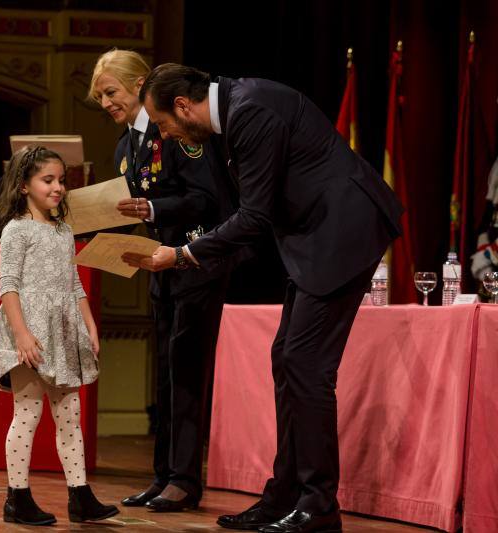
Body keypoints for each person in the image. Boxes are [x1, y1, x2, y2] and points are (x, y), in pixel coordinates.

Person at [127, 64, 404, 533]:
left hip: (341, 232)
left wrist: (183, 254)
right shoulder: (238, 109)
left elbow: (254, 215)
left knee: (304, 364)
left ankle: (318, 505)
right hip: (316, 237)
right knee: (287, 358)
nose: (167, 134)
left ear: (182, 105)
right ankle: (284, 495)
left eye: (163, 123)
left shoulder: (250, 111)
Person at [89, 49, 242, 512]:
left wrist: (155, 210)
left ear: (139, 85)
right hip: (158, 267)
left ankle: (185, 479)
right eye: (99, 96)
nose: (105, 102)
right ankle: (162, 475)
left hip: (195, 262)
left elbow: (207, 197)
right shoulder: (125, 146)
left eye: (111, 91)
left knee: (188, 372)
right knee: (166, 375)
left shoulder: (177, 133)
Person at [0, 146, 119, 526]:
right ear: (24, 185)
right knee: (27, 413)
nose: (58, 187)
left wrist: (89, 323)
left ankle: (80, 496)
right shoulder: (17, 229)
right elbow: (7, 285)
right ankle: (17, 497)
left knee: (70, 415)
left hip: (62, 333)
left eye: (61, 180)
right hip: (28, 330)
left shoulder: (64, 230)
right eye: (48, 180)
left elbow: (74, 283)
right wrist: (22, 334)